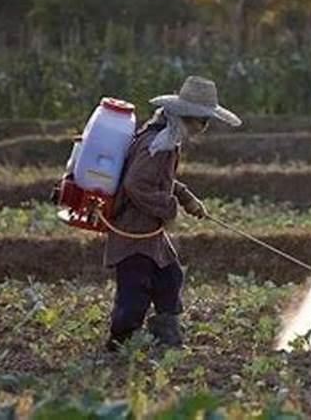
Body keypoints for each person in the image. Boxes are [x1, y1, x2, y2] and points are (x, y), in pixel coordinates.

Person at [104, 76, 242, 351]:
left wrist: (186, 197)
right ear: (185, 117)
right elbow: (135, 184)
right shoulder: (155, 144)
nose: (203, 127)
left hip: (149, 231)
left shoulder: (166, 140)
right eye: (201, 121)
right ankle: (120, 344)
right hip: (133, 230)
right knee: (134, 291)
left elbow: (161, 181)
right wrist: (168, 207)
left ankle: (166, 337)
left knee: (169, 276)